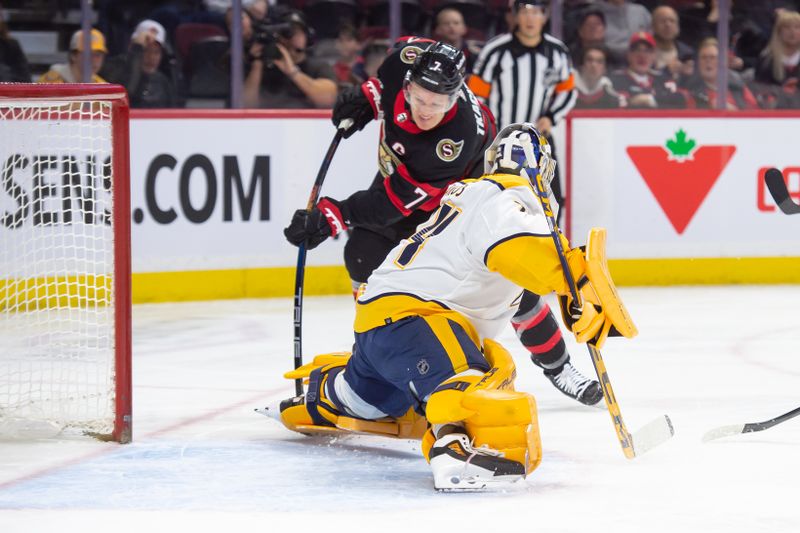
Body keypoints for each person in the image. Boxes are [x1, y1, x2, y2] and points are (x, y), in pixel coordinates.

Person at [272, 124, 637, 490]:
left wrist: (571, 293)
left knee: (372, 401)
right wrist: (576, 282)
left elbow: (525, 275)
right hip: (415, 322)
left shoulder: (474, 195)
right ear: (542, 171)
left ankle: (327, 396)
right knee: (471, 377)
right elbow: (518, 250)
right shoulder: (508, 199)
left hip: (383, 324)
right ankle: (452, 448)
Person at [285, 38, 601, 407]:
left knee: (509, 286)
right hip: (404, 181)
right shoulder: (402, 62)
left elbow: (392, 204)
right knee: (361, 253)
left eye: (437, 104)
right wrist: (369, 97)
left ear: (455, 98)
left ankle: (558, 366)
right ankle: (376, 348)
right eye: (419, 99)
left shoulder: (453, 139)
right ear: (408, 82)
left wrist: (332, 215)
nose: (425, 110)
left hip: (460, 204)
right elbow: (403, 54)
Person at [466, 1, 592, 402]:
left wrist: (550, 117)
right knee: (495, 227)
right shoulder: (497, 51)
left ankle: (550, 280)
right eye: (525, 10)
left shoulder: (557, 51)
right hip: (495, 150)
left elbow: (568, 91)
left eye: (538, 10)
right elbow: (477, 95)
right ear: (515, 16)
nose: (531, 17)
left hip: (539, 150)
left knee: (547, 220)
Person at [241, 7, 337, 108]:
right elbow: (246, 105)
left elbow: (327, 99)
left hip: (306, 122)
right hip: (269, 121)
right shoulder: (264, 68)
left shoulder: (319, 67)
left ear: (307, 37)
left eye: (297, 33)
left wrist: (292, 72)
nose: (291, 39)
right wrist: (257, 63)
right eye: (286, 33)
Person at [101, 20, 178, 108]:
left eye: (156, 52)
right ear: (132, 47)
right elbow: (126, 93)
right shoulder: (114, 68)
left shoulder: (163, 82)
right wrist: (137, 48)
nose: (151, 57)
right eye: (146, 50)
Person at [609, 31, 688, 108]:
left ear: (654, 55)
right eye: (637, 50)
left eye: (647, 51)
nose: (642, 55)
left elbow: (683, 100)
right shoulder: (613, 81)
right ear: (628, 54)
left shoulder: (664, 81)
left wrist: (650, 100)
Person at [683, 37, 759, 110]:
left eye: (712, 57)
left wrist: (734, 113)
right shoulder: (690, 88)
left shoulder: (738, 86)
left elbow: (755, 116)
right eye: (704, 57)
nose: (708, 61)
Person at [755, 9, 800, 108]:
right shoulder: (767, 60)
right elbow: (761, 91)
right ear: (779, 31)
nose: (792, 32)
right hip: (775, 112)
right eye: (787, 27)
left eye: (797, 27)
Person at [38, 29, 108, 84]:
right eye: (88, 54)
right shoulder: (50, 83)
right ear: (73, 55)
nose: (94, 60)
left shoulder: (102, 85)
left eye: (98, 55)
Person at [598, 0, 652, 67]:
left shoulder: (640, 11)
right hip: (610, 65)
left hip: (643, 66)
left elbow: (653, 41)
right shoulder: (597, 13)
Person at [651, 5, 695, 81]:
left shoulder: (688, 53)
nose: (668, 25)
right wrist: (667, 70)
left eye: (672, 21)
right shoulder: (645, 52)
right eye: (662, 21)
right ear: (653, 26)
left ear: (678, 27)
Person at [432, 7, 480, 72]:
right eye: (446, 23)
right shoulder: (431, 53)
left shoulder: (474, 55)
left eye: (456, 23)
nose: (451, 26)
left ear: (464, 28)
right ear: (438, 29)